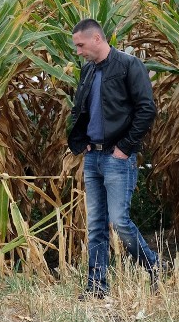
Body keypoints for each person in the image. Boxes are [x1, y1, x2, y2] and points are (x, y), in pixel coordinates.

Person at [67, 18, 161, 299]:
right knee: (96, 224)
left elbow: (147, 109)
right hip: (93, 157)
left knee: (119, 221)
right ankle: (96, 286)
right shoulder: (87, 72)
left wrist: (125, 147)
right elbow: (79, 110)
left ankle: (153, 266)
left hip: (117, 157)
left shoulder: (129, 65)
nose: (78, 51)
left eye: (80, 45)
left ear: (97, 39)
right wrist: (82, 142)